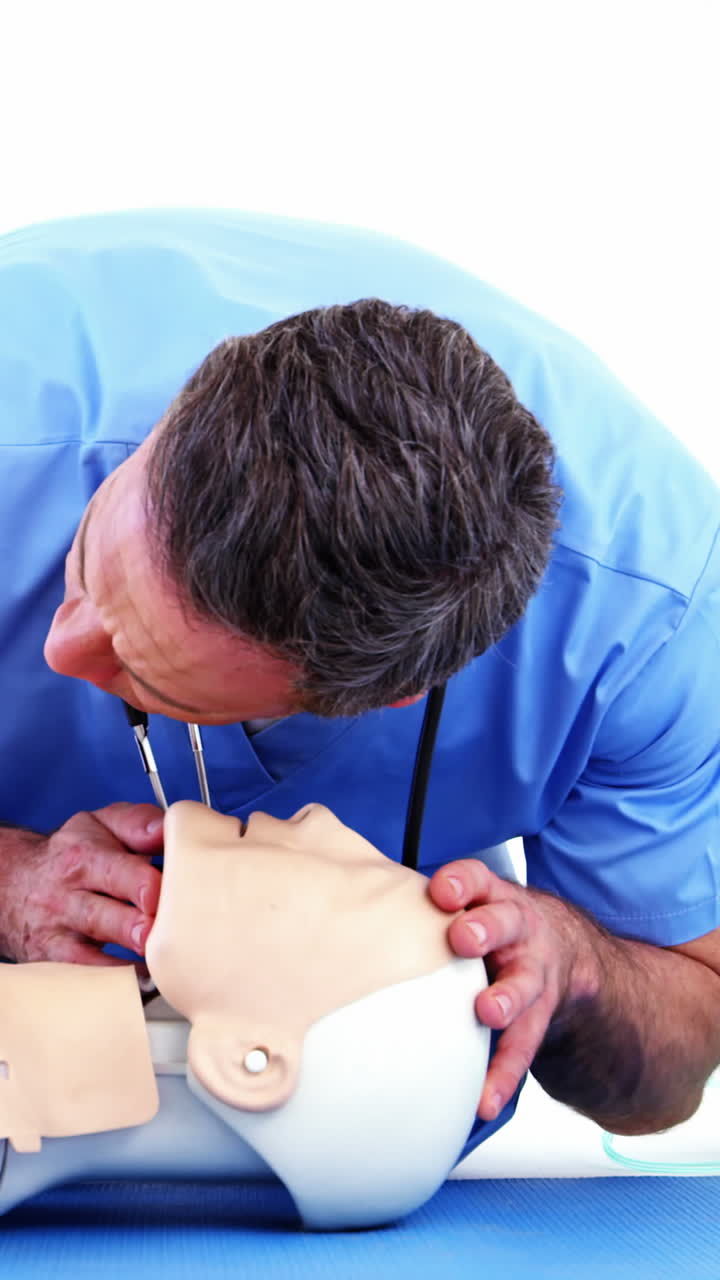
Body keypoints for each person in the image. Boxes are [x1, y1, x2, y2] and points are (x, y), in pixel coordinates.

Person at [1, 209, 719, 1159]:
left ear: (387, 700)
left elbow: (668, 1076)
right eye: (91, 557)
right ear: (184, 405)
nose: (60, 649)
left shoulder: (649, 625)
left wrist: (576, 965)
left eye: (142, 674)